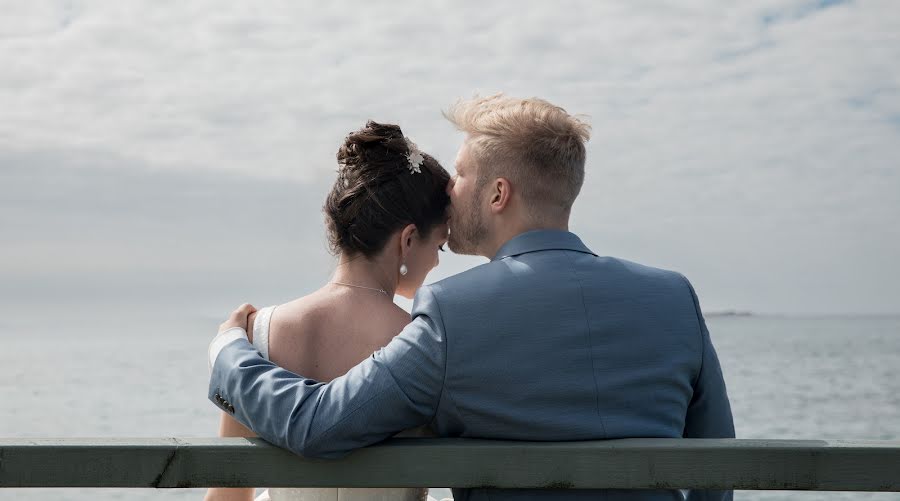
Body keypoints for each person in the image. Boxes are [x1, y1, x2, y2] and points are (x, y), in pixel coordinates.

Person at [209, 94, 735, 501]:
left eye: (460, 174)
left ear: (498, 194)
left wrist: (231, 349)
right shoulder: (674, 298)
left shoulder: (451, 313)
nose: (449, 190)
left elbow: (318, 424)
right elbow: (717, 471)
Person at [205, 121, 451, 501]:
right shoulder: (427, 344)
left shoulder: (253, 333)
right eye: (439, 246)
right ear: (407, 239)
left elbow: (228, 495)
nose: (436, 262)